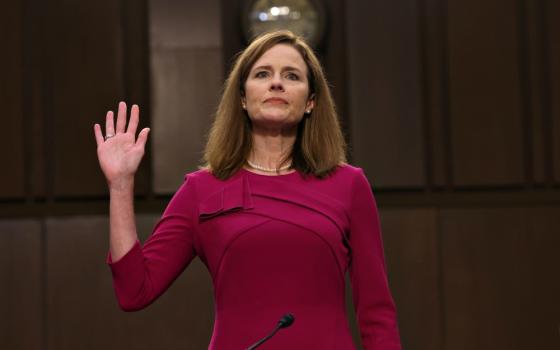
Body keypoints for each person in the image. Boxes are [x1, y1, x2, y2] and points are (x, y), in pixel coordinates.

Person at [93, 30, 402, 349]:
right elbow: (134, 291)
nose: (277, 83)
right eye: (263, 73)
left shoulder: (348, 185)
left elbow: (377, 313)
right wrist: (120, 185)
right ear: (242, 97)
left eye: (292, 75)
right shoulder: (201, 189)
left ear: (310, 102)